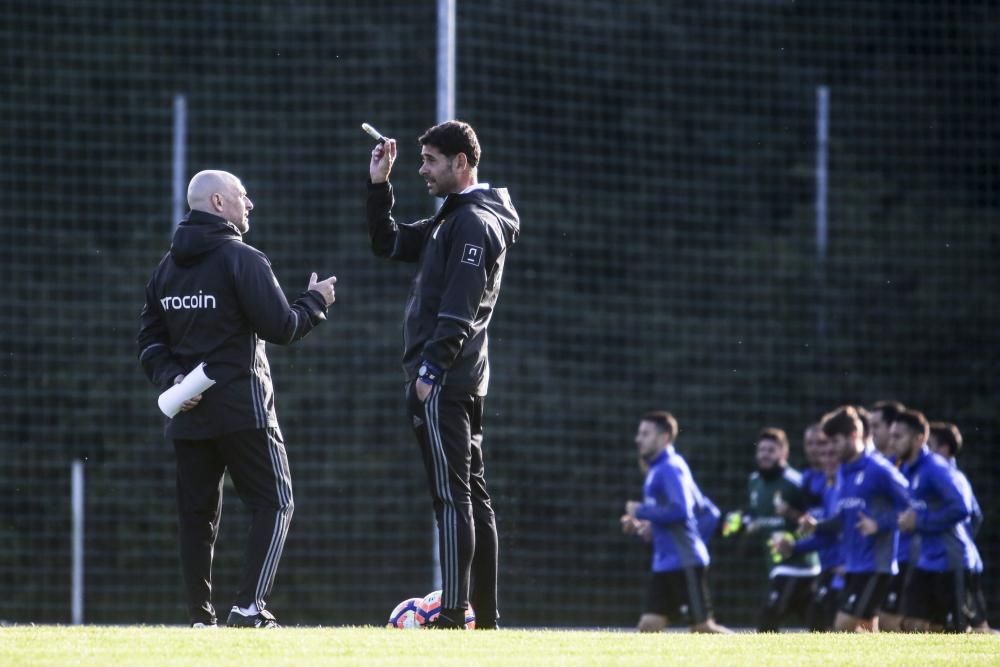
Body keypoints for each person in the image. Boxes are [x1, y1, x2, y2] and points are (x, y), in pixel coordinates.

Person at [137, 170, 337, 628]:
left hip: (188, 415)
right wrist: (315, 300)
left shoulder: (164, 269)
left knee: (196, 517)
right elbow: (282, 327)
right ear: (218, 202)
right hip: (244, 409)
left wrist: (172, 380)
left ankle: (199, 620)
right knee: (277, 501)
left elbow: (148, 341)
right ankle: (248, 608)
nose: (250, 204)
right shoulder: (242, 258)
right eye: (243, 196)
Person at [366, 121, 519, 630]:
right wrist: (378, 185)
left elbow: (459, 308)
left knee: (453, 498)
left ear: (461, 163)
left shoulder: (472, 222)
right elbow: (387, 243)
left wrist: (428, 373)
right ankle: (487, 618)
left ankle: (455, 616)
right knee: (473, 494)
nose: (422, 170)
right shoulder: (450, 219)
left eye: (430, 160)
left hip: (445, 380)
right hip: (462, 379)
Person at [800, 405, 910, 632]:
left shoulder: (879, 469)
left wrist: (880, 524)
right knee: (866, 629)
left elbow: (913, 506)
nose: (831, 449)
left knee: (842, 626)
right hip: (854, 566)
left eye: (836, 441)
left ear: (854, 436)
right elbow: (842, 518)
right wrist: (816, 526)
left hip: (876, 565)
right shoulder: (843, 472)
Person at [622, 412, 731, 633]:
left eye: (645, 434)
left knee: (703, 628)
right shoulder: (657, 469)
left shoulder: (670, 467)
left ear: (663, 438)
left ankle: (749, 651)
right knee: (648, 626)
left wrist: (640, 510)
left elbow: (681, 510)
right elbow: (667, 516)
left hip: (684, 561)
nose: (638, 439)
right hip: (665, 563)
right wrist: (643, 526)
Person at [727, 428, 819, 632]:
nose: (765, 455)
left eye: (771, 450)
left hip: (800, 565)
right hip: (776, 565)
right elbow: (755, 512)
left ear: (783, 454)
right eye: (761, 450)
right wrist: (743, 521)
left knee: (767, 622)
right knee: (819, 629)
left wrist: (791, 513)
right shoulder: (754, 481)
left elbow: (815, 520)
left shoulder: (797, 482)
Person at [891, 411, 974, 633]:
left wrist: (920, 520)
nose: (893, 442)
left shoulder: (935, 468)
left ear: (919, 439)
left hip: (950, 561)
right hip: (924, 562)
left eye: (898, 437)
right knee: (912, 626)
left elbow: (961, 508)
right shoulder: (906, 470)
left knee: (956, 633)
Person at [774, 424, 845, 631]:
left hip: (844, 567)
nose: (818, 451)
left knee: (848, 626)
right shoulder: (808, 479)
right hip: (828, 565)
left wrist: (794, 547)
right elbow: (814, 524)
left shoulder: (842, 484)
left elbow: (833, 528)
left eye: (823, 445)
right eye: (810, 444)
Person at [928, 422, 994, 633]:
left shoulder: (953, 477)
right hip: (947, 559)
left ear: (944, 448)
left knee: (975, 627)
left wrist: (959, 540)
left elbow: (972, 515)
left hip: (958, 560)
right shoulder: (939, 475)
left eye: (930, 445)